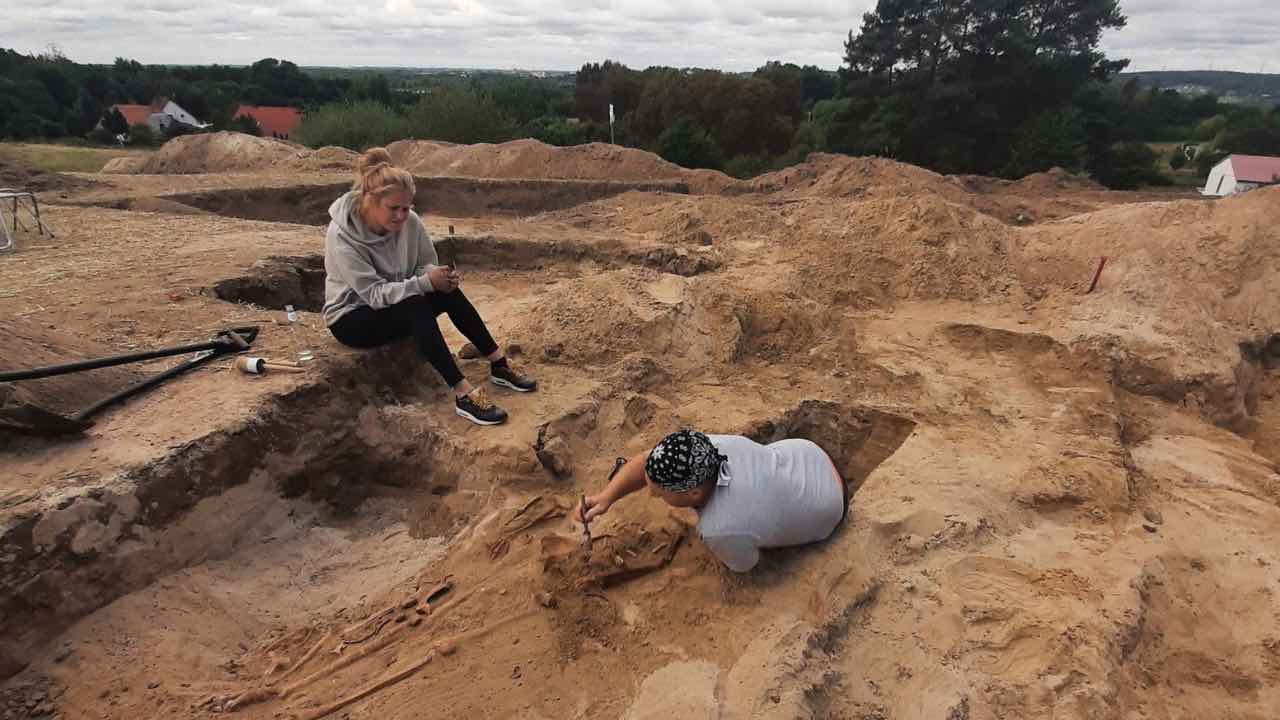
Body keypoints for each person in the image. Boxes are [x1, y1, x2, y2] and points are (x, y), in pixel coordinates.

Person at [323, 147, 536, 426]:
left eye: (406, 208)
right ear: (370, 201)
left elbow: (425, 265)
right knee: (415, 302)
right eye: (394, 209)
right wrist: (424, 282)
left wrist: (438, 276)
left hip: (396, 303)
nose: (401, 216)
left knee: (444, 290)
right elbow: (374, 295)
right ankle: (463, 394)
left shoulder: (410, 221)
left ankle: (499, 363)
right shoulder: (342, 236)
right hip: (353, 317)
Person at [578, 430, 847, 572]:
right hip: (810, 456)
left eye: (660, 493)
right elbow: (648, 460)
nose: (651, 495)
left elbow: (746, 565)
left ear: (694, 493)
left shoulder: (720, 528)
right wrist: (606, 497)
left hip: (830, 507)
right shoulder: (708, 447)